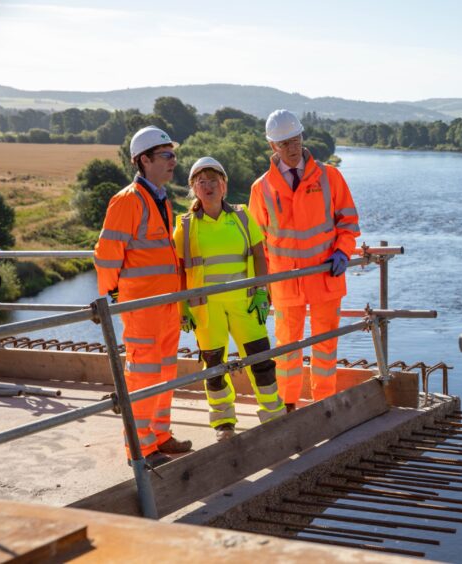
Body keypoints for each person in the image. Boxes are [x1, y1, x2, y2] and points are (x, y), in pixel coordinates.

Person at [249, 109, 360, 411]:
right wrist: (262, 284)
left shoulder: (329, 176)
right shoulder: (261, 188)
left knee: (326, 347)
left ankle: (324, 404)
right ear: (273, 146)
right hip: (285, 283)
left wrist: (343, 251)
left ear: (302, 137)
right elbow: (256, 243)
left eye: (296, 139)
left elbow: (348, 222)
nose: (293, 148)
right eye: (285, 143)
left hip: (326, 277)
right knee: (287, 350)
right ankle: (288, 405)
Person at [94, 126, 192, 468]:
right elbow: (106, 256)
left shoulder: (161, 199)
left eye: (173, 155)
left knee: (165, 373)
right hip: (142, 309)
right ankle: (140, 449)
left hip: (166, 306)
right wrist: (113, 295)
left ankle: (161, 436)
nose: (173, 162)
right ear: (144, 160)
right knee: (143, 377)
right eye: (166, 155)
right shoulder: (127, 201)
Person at [174, 157, 286, 441]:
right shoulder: (185, 226)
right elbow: (178, 269)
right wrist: (181, 306)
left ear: (224, 185)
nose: (208, 186)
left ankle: (273, 415)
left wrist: (263, 291)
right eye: (201, 182)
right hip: (206, 310)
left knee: (261, 361)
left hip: (245, 304)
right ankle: (224, 423)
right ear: (194, 189)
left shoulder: (241, 216)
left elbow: (259, 254)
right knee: (213, 369)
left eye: (213, 180)